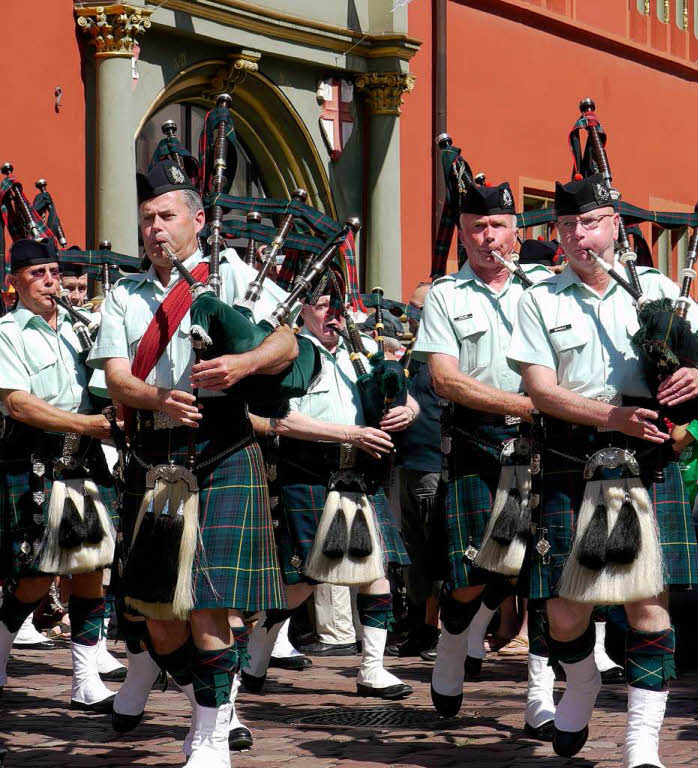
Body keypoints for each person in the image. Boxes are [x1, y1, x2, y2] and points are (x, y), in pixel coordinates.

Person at [508, 174, 698, 766]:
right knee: (564, 611)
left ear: (614, 224)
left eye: (589, 223)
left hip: (648, 460)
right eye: (566, 226)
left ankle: (640, 747)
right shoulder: (541, 298)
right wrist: (614, 414)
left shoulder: (657, 288)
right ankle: (579, 681)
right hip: (571, 458)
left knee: (648, 605)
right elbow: (540, 390)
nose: (578, 236)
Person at [90, 160, 298, 765]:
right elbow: (114, 378)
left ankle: (209, 737)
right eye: (147, 218)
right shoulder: (126, 295)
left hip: (225, 447)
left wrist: (245, 363)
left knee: (210, 602)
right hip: (156, 455)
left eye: (167, 215)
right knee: (161, 619)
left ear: (198, 220)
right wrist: (155, 397)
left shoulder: (233, 276)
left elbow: (288, 340)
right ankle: (214, 695)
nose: (155, 228)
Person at [415, 181, 555, 734]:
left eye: (497, 226)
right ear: (464, 237)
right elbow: (445, 380)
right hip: (477, 440)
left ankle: (540, 696)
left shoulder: (544, 288)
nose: (487, 237)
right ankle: (453, 643)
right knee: (477, 570)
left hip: (547, 442)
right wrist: (529, 401)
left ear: (515, 232)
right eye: (476, 228)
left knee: (547, 571)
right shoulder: (449, 295)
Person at [241, 288, 417, 701]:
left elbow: (404, 399)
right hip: (310, 471)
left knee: (376, 570)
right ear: (302, 309)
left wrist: (408, 411)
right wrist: (350, 433)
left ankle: (372, 669)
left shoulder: (369, 349)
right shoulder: (289, 352)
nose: (331, 315)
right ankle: (258, 649)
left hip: (362, 472)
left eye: (336, 306)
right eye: (321, 306)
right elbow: (280, 421)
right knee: (306, 577)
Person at [0, 238, 118, 711]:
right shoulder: (7, 332)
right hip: (34, 457)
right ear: (14, 283)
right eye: (37, 274)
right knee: (34, 571)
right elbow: (16, 402)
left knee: (91, 563)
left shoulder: (83, 330)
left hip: (84, 458)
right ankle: (2, 649)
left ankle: (86, 680)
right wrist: (87, 424)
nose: (50, 282)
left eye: (54, 272)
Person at [393, 281, 443, 660]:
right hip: (406, 463)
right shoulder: (414, 352)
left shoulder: (439, 353)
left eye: (418, 308)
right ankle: (418, 624)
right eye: (409, 308)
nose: (411, 315)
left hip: (431, 464)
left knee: (431, 552)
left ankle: (433, 628)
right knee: (412, 552)